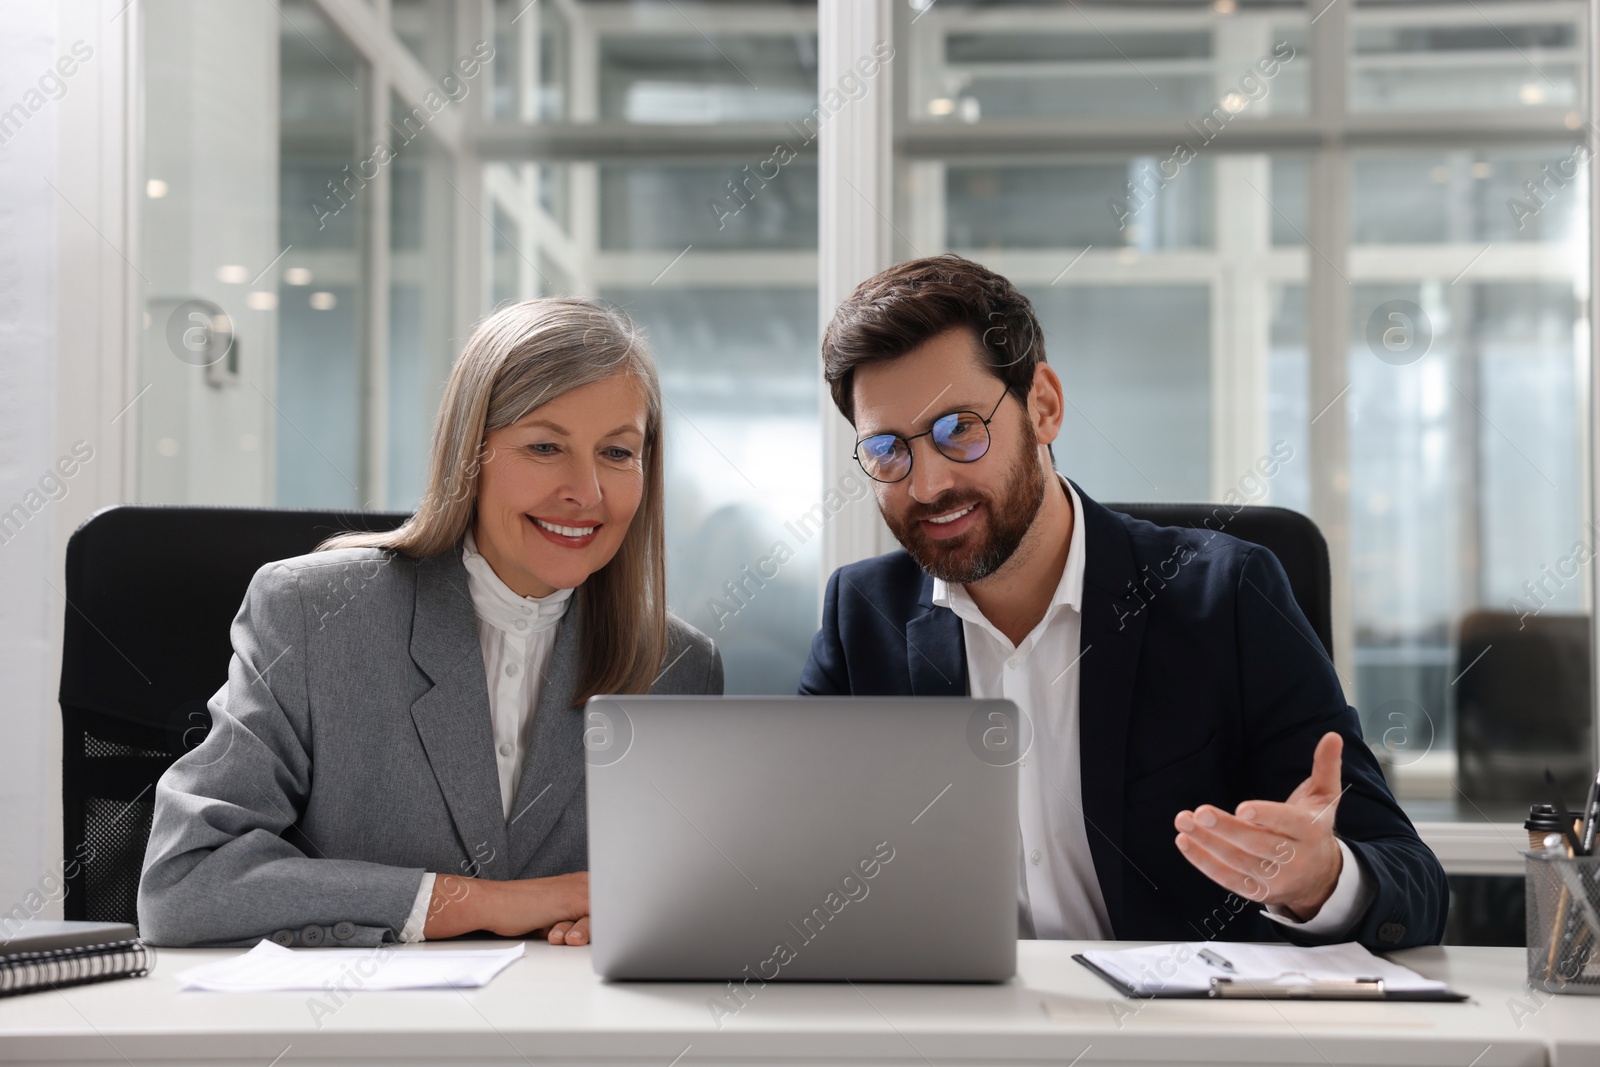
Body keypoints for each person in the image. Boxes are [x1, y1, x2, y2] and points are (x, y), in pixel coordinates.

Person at [799, 254, 1447, 950]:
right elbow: (788, 863)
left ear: (1043, 406)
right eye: (888, 450)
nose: (926, 484)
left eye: (960, 430)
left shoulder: (1227, 599)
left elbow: (1414, 881)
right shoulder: (860, 615)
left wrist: (1322, 879)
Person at [139, 298, 723, 948]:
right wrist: (481, 903)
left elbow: (690, 902)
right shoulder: (316, 616)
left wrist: (648, 909)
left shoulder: (678, 666)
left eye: (617, 452)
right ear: (469, 453)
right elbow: (185, 880)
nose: (586, 491)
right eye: (544, 446)